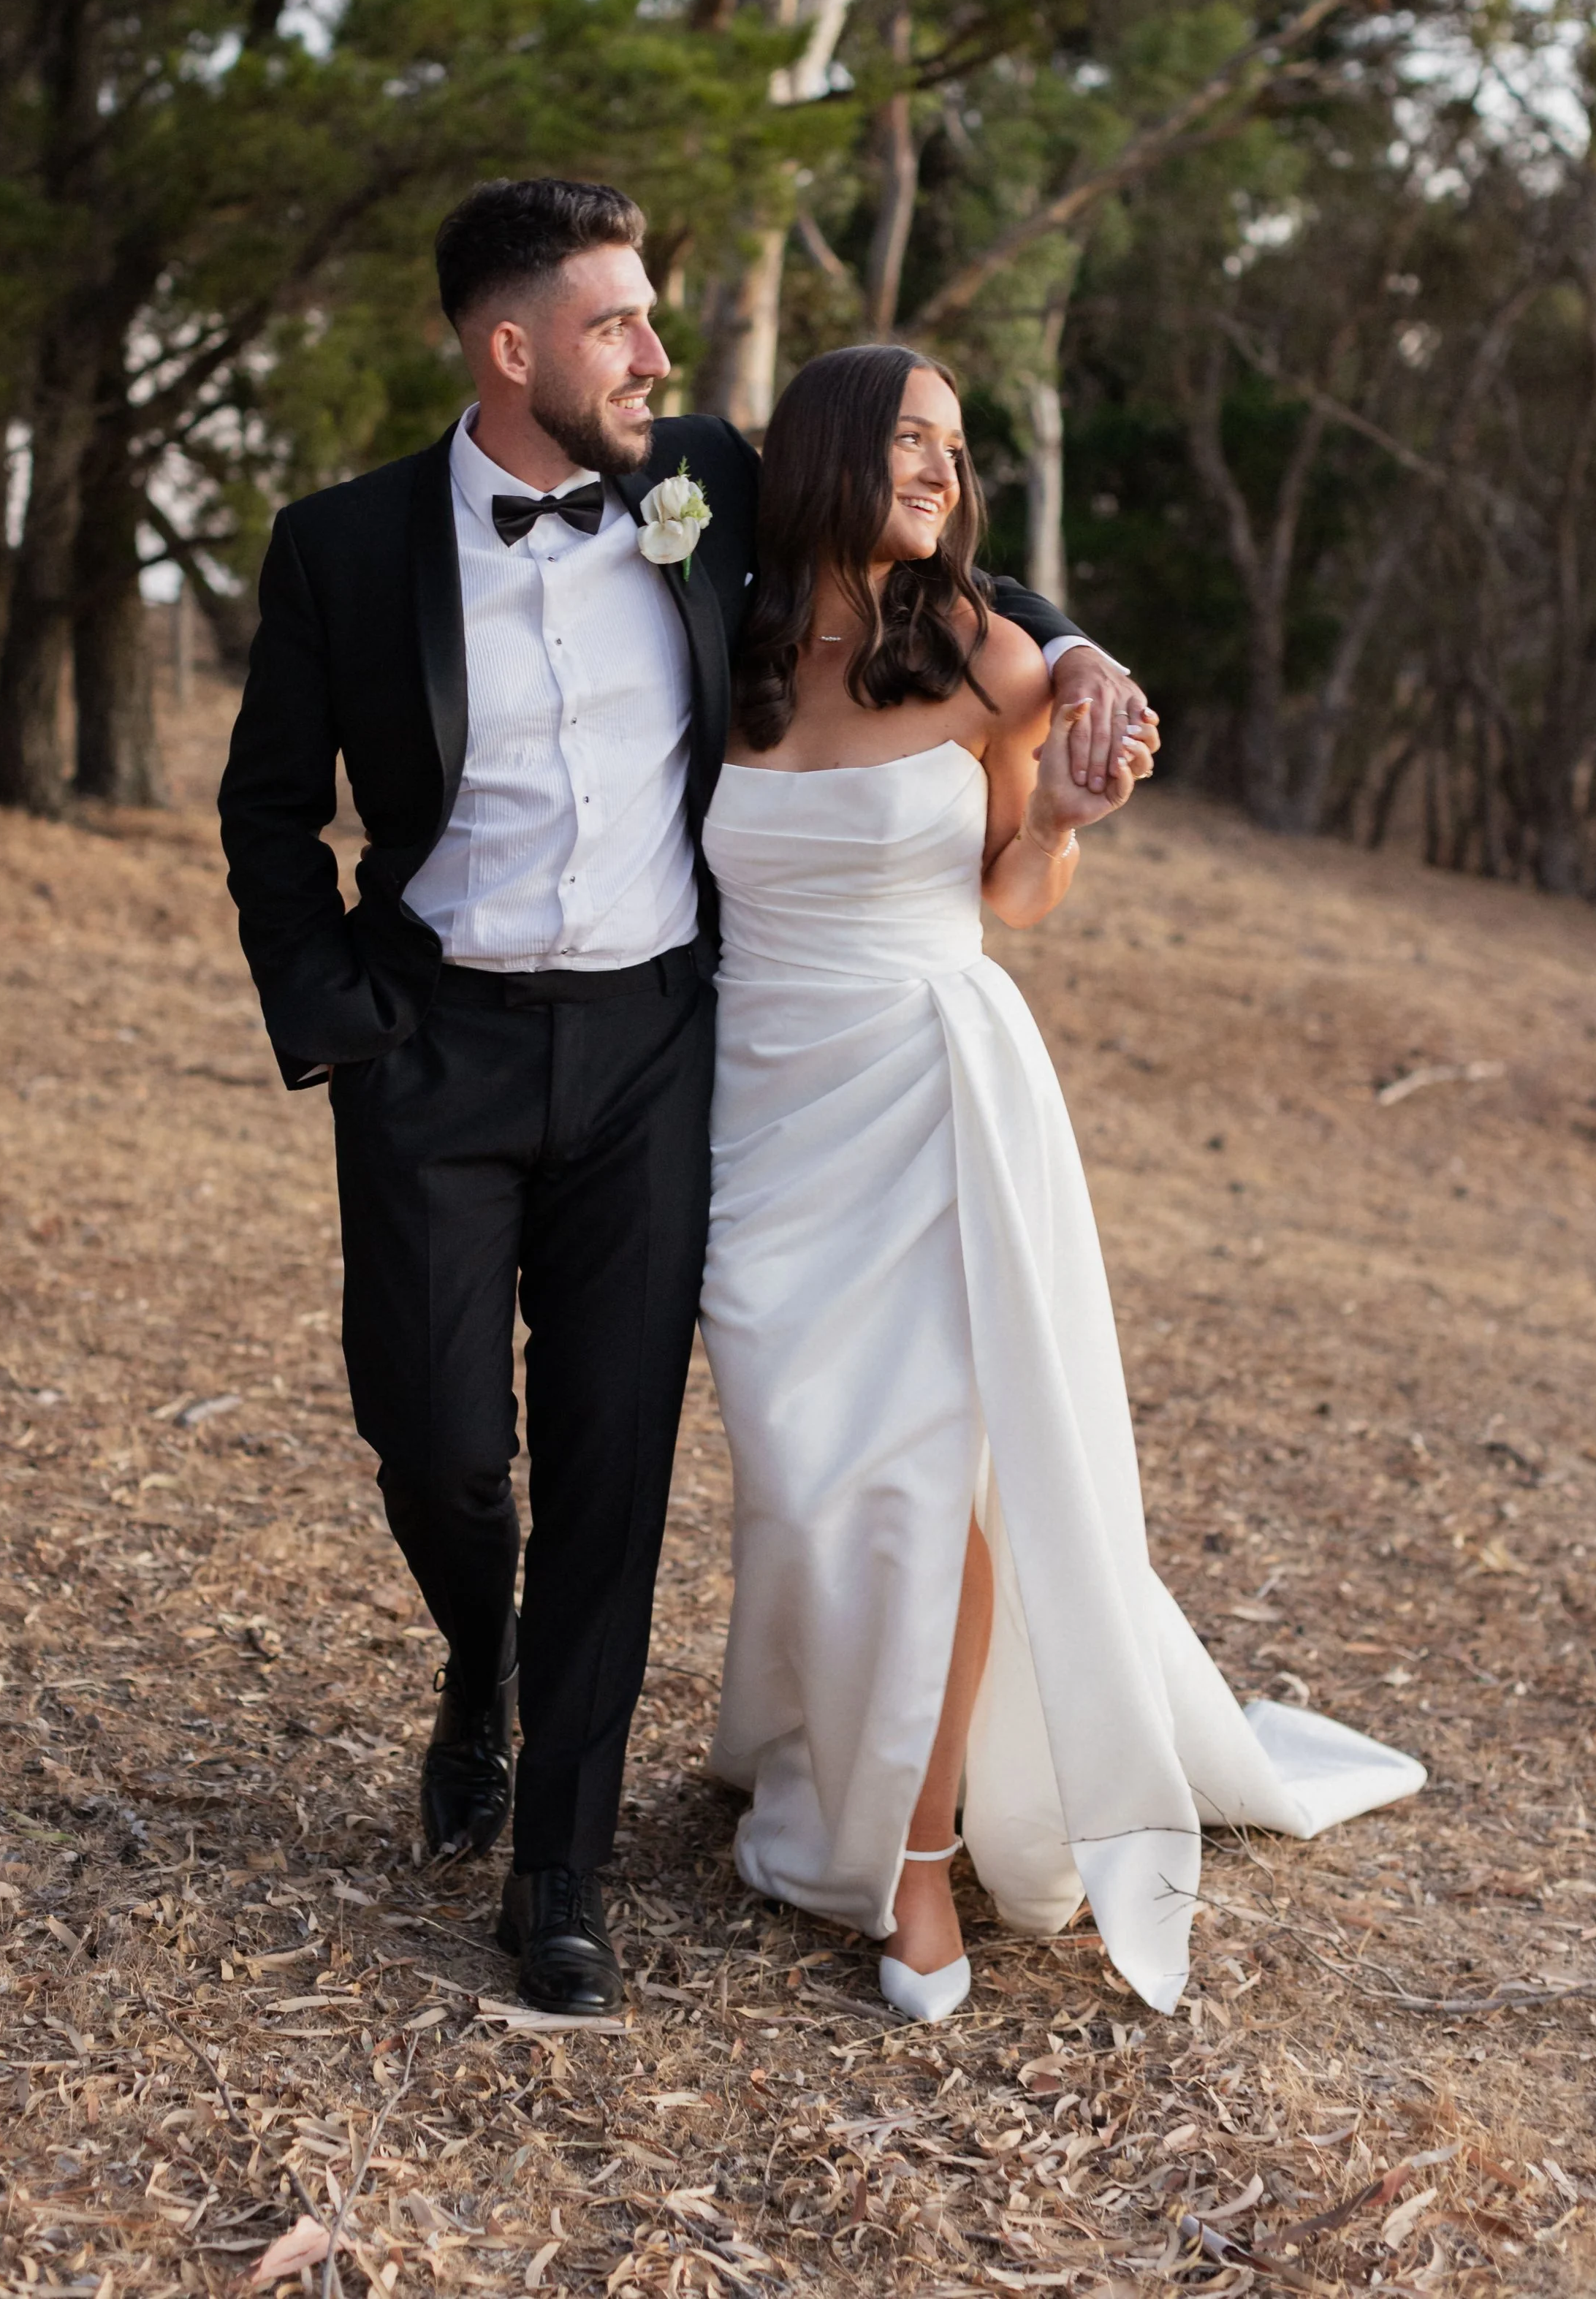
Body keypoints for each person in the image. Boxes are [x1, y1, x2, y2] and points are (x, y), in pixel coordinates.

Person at [218, 179, 1149, 2018]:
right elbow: (266, 810)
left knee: (615, 1470)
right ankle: (473, 1658)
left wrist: (1081, 652)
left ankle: (556, 1874)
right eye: (615, 323)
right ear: (510, 351)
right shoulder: (337, 547)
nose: (655, 352)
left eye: (650, 318)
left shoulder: (696, 477)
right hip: (433, 1049)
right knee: (438, 1450)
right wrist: (333, 1017)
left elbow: (927, 555)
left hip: (658, 1053)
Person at [699, 341, 1424, 2023]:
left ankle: (920, 1858)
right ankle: (821, 1749)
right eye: (911, 440)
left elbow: (1014, 886)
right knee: (813, 1484)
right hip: (757, 1109)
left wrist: (1068, 812)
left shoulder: (976, 649)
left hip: (930, 1088)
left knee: (937, 1487)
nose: (944, 470)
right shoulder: (714, 639)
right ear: (820, 453)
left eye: (958, 447)